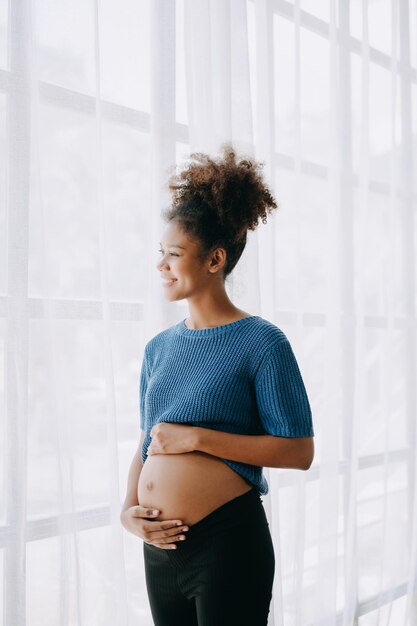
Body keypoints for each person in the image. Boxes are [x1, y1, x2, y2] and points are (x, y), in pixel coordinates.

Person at [120, 143, 315, 625]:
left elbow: (299, 451)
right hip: (161, 552)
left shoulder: (262, 342)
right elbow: (147, 441)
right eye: (159, 253)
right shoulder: (158, 348)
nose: (161, 265)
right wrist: (128, 511)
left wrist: (197, 438)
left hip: (227, 542)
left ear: (214, 260)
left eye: (174, 254)